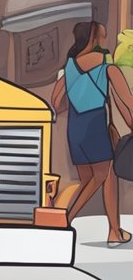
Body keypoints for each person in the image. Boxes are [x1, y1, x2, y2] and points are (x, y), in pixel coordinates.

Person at [51, 20, 133, 246]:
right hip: (96, 124)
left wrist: (80, 95)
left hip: (76, 128)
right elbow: (128, 103)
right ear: (94, 39)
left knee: (93, 177)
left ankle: (114, 231)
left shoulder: (68, 69)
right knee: (102, 176)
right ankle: (66, 220)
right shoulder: (108, 66)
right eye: (103, 38)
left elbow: (56, 103)